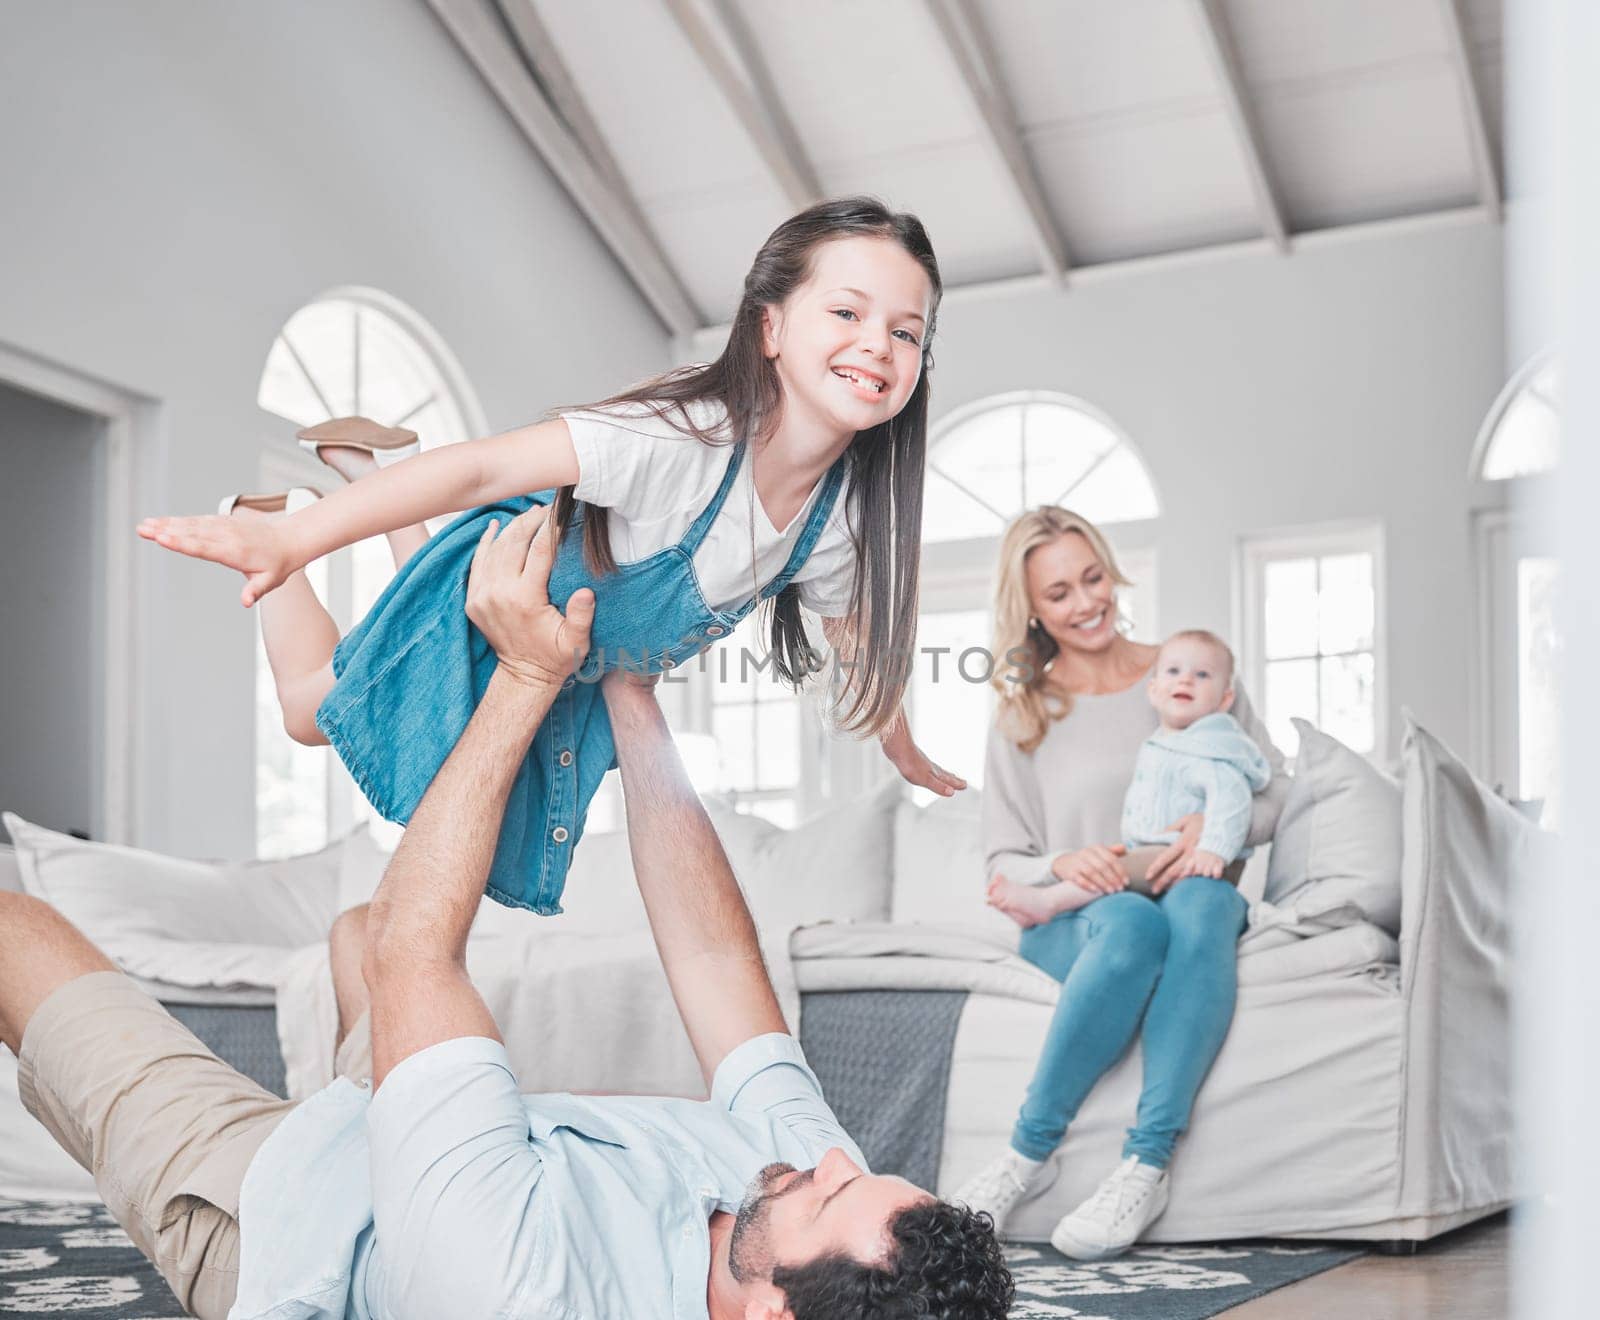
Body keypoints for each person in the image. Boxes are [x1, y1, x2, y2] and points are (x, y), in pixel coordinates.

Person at [0, 505, 1011, 1320]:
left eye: (833, 1193)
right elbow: (709, 956)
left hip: (277, 1212)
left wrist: (529, 674)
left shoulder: (519, 1292)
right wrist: (629, 692)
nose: (836, 1158)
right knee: (355, 929)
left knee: (19, 931)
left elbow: (418, 958)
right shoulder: (820, 1199)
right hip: (420, 1156)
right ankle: (383, 1093)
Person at [137, 196, 965, 916]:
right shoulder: (683, 439)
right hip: (512, 584)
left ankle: (373, 469)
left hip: (562, 661)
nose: (878, 346)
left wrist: (897, 742)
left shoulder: (840, 515)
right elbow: (483, 467)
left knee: (471, 802)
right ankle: (263, 510)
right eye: (848, 314)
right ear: (771, 326)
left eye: (905, 331)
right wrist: (291, 543)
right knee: (308, 714)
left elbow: (850, 627)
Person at [954, 507, 1287, 1261]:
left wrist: (1216, 829)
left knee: (1207, 899)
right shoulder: (1024, 711)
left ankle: (1146, 1165)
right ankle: (1023, 1159)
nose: (1086, 603)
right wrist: (1063, 863)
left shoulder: (1187, 670)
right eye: (1060, 593)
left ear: (1112, 568)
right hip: (1077, 920)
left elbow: (1272, 792)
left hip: (1185, 897)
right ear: (1032, 609)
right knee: (1133, 921)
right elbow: (1003, 860)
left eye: (1093, 577)